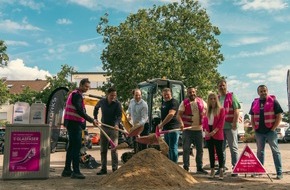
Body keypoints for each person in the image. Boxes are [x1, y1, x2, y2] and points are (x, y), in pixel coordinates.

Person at [61, 78, 97, 179]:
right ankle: (76, 171)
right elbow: (80, 111)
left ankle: (67, 170)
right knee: (76, 148)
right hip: (74, 124)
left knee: (71, 147)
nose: (87, 89)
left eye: (88, 87)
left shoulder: (74, 93)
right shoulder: (77, 95)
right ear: (81, 85)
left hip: (71, 123)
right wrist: (91, 120)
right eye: (86, 86)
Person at [249, 85, 283, 179]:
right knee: (260, 152)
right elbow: (252, 116)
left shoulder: (273, 101)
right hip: (259, 132)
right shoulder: (254, 103)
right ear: (258, 93)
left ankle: (279, 173)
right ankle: (259, 172)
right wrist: (254, 128)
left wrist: (273, 128)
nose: (263, 92)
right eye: (261, 91)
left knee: (275, 152)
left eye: (265, 91)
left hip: (270, 131)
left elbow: (279, 116)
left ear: (267, 91)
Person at [177, 87, 208, 174]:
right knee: (186, 149)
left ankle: (199, 168)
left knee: (200, 149)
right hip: (187, 131)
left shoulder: (202, 102)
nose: (192, 94)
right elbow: (178, 115)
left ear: (196, 92)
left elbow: (208, 110)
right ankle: (186, 167)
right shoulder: (184, 103)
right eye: (190, 92)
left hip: (198, 130)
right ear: (188, 93)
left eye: (193, 92)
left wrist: (205, 116)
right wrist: (181, 123)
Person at [94, 87, 122, 175]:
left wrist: (117, 124)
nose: (113, 97)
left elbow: (119, 116)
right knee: (103, 149)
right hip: (104, 127)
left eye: (115, 95)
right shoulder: (102, 101)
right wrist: (95, 118)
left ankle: (115, 169)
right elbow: (96, 108)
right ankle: (103, 168)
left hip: (114, 128)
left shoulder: (117, 104)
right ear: (107, 95)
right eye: (111, 95)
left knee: (114, 149)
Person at [217, 79, 240, 176]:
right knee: (220, 149)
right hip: (220, 128)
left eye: (223, 85)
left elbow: (236, 110)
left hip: (230, 126)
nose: (222, 87)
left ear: (226, 86)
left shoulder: (232, 96)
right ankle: (221, 168)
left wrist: (234, 123)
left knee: (233, 148)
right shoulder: (217, 98)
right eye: (220, 86)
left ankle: (235, 168)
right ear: (217, 87)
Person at [203, 92, 226, 180]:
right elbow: (204, 122)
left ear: (216, 99)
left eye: (214, 98)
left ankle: (221, 170)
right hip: (208, 134)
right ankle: (212, 170)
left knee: (219, 153)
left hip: (217, 133)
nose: (212, 100)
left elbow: (221, 123)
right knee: (211, 153)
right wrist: (205, 130)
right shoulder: (207, 111)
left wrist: (214, 131)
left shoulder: (221, 110)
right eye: (211, 99)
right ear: (208, 100)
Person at [158, 88, 180, 163]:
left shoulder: (174, 102)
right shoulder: (163, 103)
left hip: (173, 128)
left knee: (173, 147)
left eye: (168, 94)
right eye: (164, 95)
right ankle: (170, 163)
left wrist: (161, 124)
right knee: (167, 148)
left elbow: (171, 114)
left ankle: (174, 165)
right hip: (166, 129)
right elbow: (163, 116)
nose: (166, 96)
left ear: (171, 94)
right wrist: (161, 125)